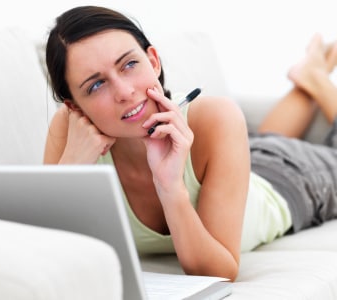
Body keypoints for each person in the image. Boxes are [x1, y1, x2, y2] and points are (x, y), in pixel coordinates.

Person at [43, 5, 337, 281]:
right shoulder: (70, 134)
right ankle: (309, 77)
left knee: (282, 149)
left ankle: (317, 81)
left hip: (288, 180)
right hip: (244, 166)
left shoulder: (216, 117)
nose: (124, 91)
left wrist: (170, 187)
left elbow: (219, 272)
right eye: (96, 85)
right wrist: (72, 170)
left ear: (153, 61)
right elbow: (43, 254)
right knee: (262, 143)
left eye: (129, 64)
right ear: (75, 108)